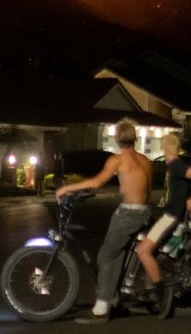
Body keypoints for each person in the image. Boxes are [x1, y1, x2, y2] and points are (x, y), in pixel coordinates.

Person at [55, 119, 152, 325]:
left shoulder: (117, 160)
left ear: (117, 139)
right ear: (134, 138)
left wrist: (67, 188)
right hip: (144, 211)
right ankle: (115, 298)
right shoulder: (145, 160)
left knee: (106, 255)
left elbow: (98, 182)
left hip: (128, 213)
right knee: (117, 250)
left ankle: (101, 308)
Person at [135, 132, 191, 311]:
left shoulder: (175, 165)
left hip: (171, 217)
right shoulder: (175, 165)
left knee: (143, 250)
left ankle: (160, 296)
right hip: (168, 213)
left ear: (164, 148)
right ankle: (150, 284)